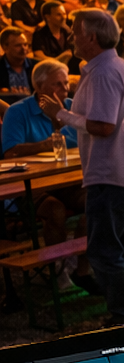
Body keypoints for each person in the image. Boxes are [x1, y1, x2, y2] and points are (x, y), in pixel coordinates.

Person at [38, 9, 124, 323]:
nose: (71, 37)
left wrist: (61, 114)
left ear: (91, 37)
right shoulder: (121, 67)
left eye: (75, 31)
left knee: (104, 249)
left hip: (112, 173)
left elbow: (103, 125)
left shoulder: (103, 73)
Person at [3, 60, 92, 291]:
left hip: (66, 179)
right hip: (32, 185)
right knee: (55, 210)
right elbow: (10, 151)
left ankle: (83, 268)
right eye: (57, 84)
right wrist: (46, 145)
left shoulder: (71, 107)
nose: (65, 89)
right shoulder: (18, 111)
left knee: (96, 202)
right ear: (39, 87)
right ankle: (58, 269)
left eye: (66, 83)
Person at [30, 1, 73, 65]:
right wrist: (59, 59)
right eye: (58, 15)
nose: (63, 17)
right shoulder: (39, 34)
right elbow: (39, 56)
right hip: (50, 68)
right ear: (47, 17)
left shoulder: (68, 32)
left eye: (64, 14)